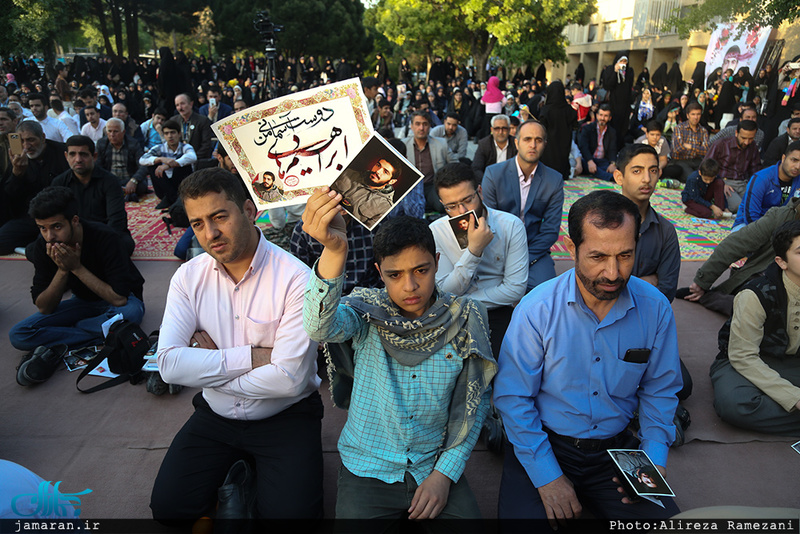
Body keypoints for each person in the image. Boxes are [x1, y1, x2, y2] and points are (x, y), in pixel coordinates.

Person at [301, 195, 496, 520]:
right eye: (395, 275)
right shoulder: (365, 313)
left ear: (436, 261)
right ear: (379, 272)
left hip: (433, 463)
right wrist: (335, 251)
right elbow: (318, 328)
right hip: (366, 467)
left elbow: (472, 407)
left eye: (421, 270)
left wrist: (444, 475)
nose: (410, 285)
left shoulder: (466, 318)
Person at [494, 190, 682, 523]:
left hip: (616, 451)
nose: (613, 273)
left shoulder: (655, 308)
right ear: (572, 247)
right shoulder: (536, 310)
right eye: (598, 257)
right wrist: (548, 477)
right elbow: (513, 398)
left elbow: (660, 390)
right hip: (545, 442)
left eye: (625, 255)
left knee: (667, 528)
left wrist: (653, 458)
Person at [150, 168, 324, 522]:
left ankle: (245, 480)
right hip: (215, 415)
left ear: (248, 210)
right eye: (197, 224)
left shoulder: (295, 277)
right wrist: (252, 357)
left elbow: (289, 380)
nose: (210, 234)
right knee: (168, 510)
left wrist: (209, 366)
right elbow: (167, 365)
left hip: (285, 415)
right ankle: (240, 476)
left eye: (219, 217)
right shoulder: (189, 276)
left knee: (292, 521)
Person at [9, 186, 144, 361]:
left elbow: (119, 298)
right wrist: (63, 270)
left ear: (74, 220)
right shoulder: (43, 245)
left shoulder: (105, 237)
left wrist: (76, 268)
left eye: (57, 227)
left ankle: (73, 332)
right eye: (42, 228)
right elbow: (44, 307)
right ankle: (103, 333)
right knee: (19, 334)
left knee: (132, 313)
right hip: (83, 303)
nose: (50, 236)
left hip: (121, 302)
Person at [710, 220, 800, 435]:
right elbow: (743, 356)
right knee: (736, 404)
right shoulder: (756, 295)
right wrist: (794, 397)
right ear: (782, 262)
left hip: (792, 362)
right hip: (745, 360)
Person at [431, 162, 527, 358]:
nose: (462, 211)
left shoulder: (511, 226)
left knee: (504, 359)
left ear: (480, 192)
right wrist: (473, 252)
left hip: (497, 310)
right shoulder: (437, 230)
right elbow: (444, 290)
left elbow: (516, 289)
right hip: (452, 315)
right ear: (442, 204)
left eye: (467, 200)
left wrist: (460, 301)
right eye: (451, 206)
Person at [678, 196, 800, 316]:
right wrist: (702, 281)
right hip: (765, 283)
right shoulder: (782, 217)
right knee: (753, 304)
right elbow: (735, 244)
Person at [482, 120, 563, 290]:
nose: (533, 145)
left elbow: (550, 230)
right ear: (517, 142)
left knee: (547, 292)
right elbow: (488, 222)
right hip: (497, 249)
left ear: (544, 144)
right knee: (484, 292)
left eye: (538, 140)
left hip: (533, 250)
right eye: (527, 139)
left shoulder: (554, 180)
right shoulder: (493, 174)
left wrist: (524, 259)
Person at [51, 135, 135, 256]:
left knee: (125, 244)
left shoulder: (110, 181)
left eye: (83, 154)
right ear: (66, 156)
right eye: (72, 154)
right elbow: (55, 218)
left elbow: (116, 220)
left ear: (94, 156)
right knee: (35, 249)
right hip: (72, 236)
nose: (78, 159)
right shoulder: (59, 182)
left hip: (104, 234)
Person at [1, 120, 69, 255]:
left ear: (43, 137)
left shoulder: (62, 152)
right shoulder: (17, 158)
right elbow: (9, 195)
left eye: (31, 140)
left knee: (48, 249)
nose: (26, 146)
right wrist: (17, 173)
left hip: (57, 215)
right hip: (29, 216)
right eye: (21, 141)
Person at [733, 141, 800, 230]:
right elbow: (750, 216)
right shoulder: (761, 178)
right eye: (794, 160)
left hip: (782, 229)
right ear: (784, 158)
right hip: (749, 226)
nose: (798, 166)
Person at [403, 110, 458, 212]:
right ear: (411, 126)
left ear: (429, 126)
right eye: (417, 124)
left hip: (433, 185)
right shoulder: (404, 145)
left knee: (442, 207)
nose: (421, 128)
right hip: (411, 188)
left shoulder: (441, 144)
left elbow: (455, 165)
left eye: (425, 124)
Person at [331, 153, 404, 228]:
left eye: (385, 172)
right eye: (378, 165)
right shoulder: (348, 173)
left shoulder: (385, 207)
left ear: (391, 181)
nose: (378, 171)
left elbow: (363, 232)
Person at [704, 119, 761, 214]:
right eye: (743, 138)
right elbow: (706, 166)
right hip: (723, 181)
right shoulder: (721, 144)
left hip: (743, 183)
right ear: (736, 133)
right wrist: (720, 183)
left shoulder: (753, 146)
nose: (746, 142)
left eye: (750, 138)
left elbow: (755, 169)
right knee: (738, 207)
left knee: (756, 205)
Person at [139, 119, 197, 209]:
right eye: (166, 133)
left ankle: (172, 198)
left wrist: (170, 164)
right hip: (163, 187)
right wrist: (160, 159)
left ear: (179, 134)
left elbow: (192, 157)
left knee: (182, 164)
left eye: (173, 133)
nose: (170, 136)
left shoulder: (185, 147)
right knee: (152, 165)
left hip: (180, 185)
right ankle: (172, 198)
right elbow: (142, 159)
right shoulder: (159, 148)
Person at [96, 117, 149, 200]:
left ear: (123, 132)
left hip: (129, 179)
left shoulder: (133, 143)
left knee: (141, 186)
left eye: (115, 131)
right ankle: (125, 193)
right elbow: (98, 166)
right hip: (110, 179)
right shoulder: (101, 144)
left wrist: (133, 180)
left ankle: (120, 192)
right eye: (109, 131)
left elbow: (143, 164)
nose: (112, 135)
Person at [665, 102, 709, 182]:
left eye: (698, 114)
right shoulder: (679, 128)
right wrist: (698, 149)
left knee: (708, 175)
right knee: (693, 178)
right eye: (693, 114)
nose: (696, 117)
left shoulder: (703, 131)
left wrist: (690, 146)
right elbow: (677, 149)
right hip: (681, 160)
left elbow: (706, 151)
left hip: (697, 160)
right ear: (687, 115)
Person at [471, 114, 517, 182]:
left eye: (504, 128)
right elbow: (476, 168)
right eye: (497, 129)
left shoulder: (516, 144)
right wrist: (488, 182)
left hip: (511, 181)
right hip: (489, 181)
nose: (500, 132)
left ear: (509, 130)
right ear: (492, 130)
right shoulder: (484, 144)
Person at [578, 104, 618, 181]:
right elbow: (583, 147)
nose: (602, 118)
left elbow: (612, 149)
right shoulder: (587, 128)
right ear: (597, 116)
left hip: (602, 161)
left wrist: (612, 164)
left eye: (606, 116)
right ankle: (610, 177)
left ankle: (603, 173)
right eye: (601, 115)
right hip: (588, 159)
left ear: (610, 118)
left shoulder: (612, 132)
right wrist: (590, 161)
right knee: (586, 164)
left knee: (612, 168)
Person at [171, 93, 213, 160]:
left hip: (198, 160)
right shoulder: (173, 121)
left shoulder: (202, 120)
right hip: (177, 160)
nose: (180, 108)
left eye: (182, 104)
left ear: (191, 104)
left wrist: (192, 158)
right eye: (177, 105)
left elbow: (206, 145)